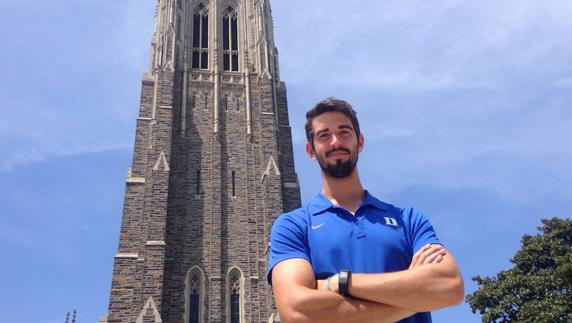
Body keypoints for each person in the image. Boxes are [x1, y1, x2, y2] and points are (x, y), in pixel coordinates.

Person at [267, 98, 464, 322]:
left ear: (359, 142)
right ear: (310, 150)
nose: (335, 142)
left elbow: (450, 287)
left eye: (344, 132)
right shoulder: (292, 226)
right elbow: (296, 312)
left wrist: (337, 283)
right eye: (324, 135)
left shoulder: (408, 220)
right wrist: (415, 296)